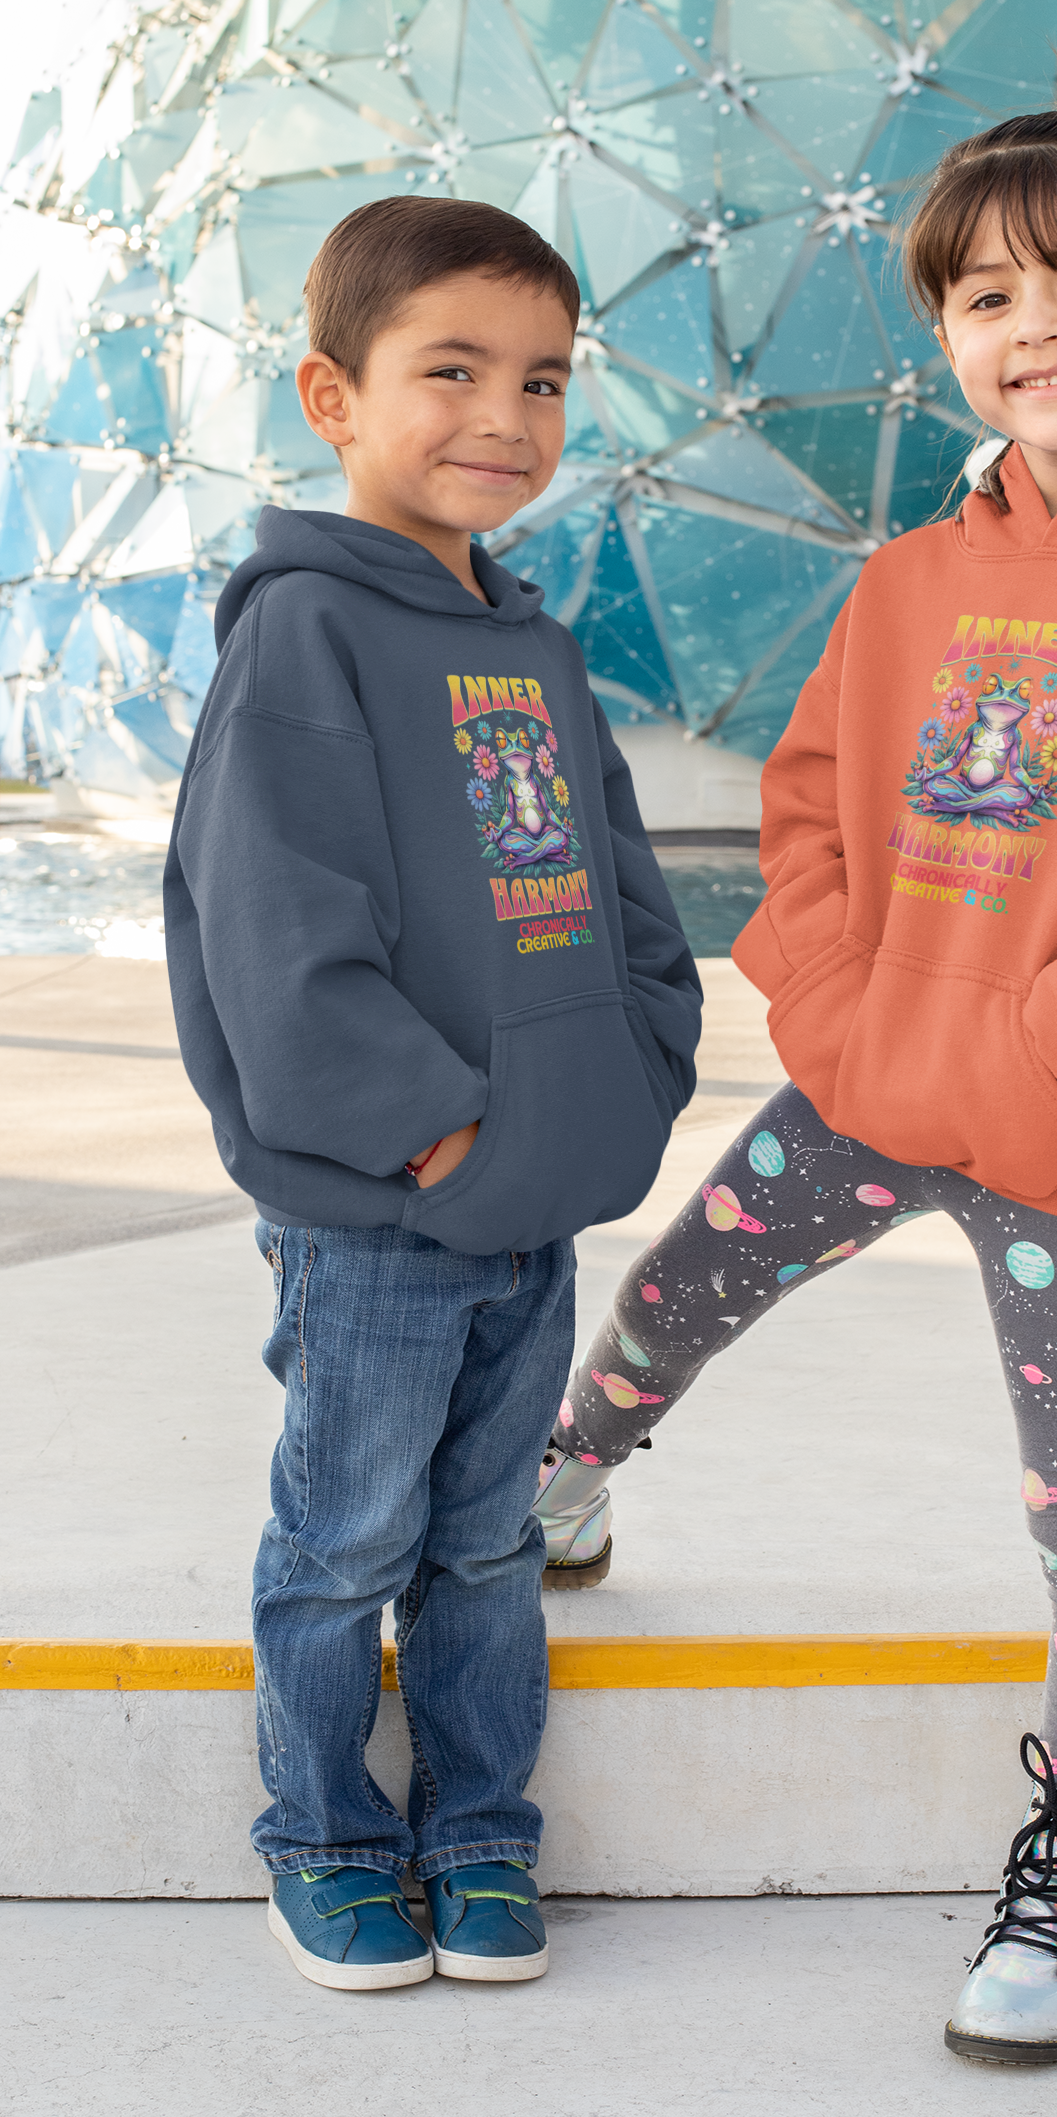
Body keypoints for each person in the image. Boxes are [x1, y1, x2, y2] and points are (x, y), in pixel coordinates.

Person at [533, 67, 1057, 2060]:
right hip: (871, 1079)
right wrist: (844, 1019)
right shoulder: (910, 579)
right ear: (944, 337)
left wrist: (1033, 1068)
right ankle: (570, 1481)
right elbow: (806, 815)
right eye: (987, 298)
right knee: (674, 1292)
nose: (1035, 327)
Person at [164, 196, 701, 1991]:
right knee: (344, 1546)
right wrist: (434, 1136)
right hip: (383, 1220)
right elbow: (274, 925)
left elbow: (623, 892)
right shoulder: (306, 634)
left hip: (534, 1200)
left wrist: (632, 1074)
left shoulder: (531, 645)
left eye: (541, 380)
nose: (503, 417)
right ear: (334, 396)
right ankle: (324, 1834)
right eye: (451, 371)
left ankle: (479, 1829)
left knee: (484, 1546)